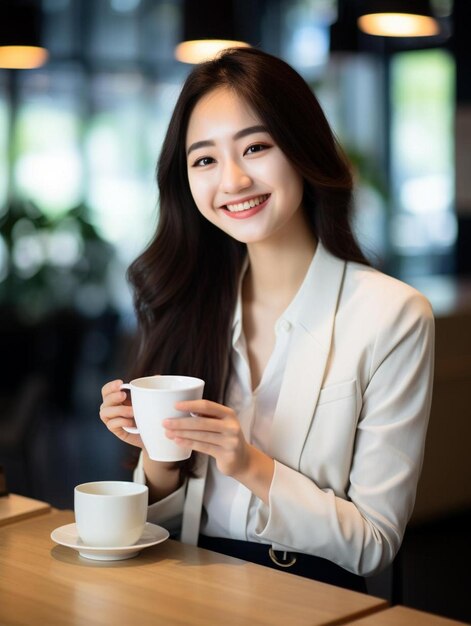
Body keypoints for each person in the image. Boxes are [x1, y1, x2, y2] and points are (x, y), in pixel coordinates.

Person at [100, 47, 434, 592]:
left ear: (301, 149)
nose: (232, 181)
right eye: (204, 159)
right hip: (183, 586)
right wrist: (155, 452)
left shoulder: (391, 315)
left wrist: (247, 463)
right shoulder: (189, 303)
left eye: (255, 147)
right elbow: (159, 526)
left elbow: (375, 541)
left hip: (309, 596)